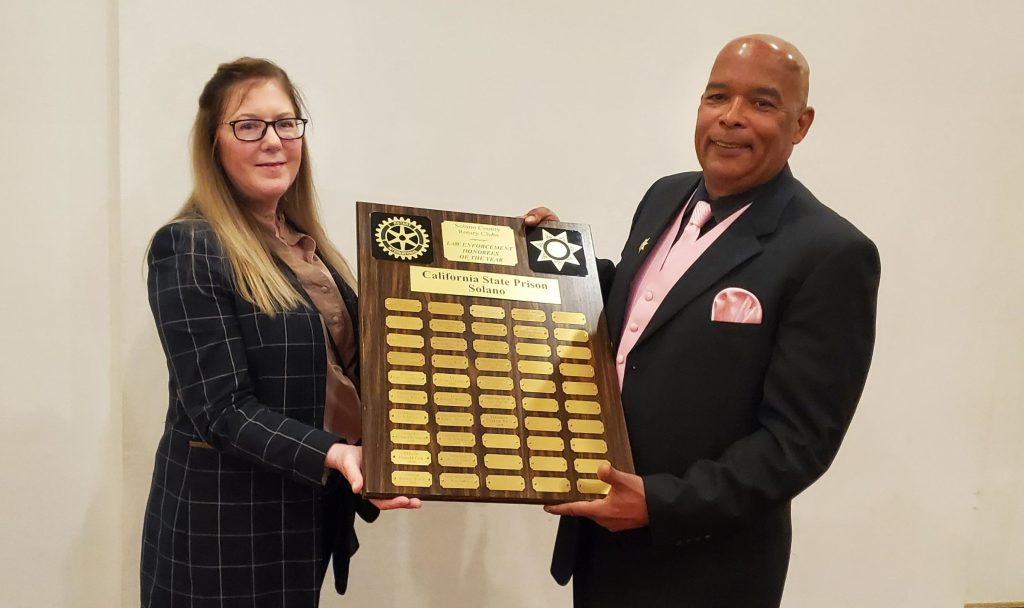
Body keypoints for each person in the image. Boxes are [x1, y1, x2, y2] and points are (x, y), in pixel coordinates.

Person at [527, 35, 881, 606]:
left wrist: (661, 504)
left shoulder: (830, 252)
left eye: (762, 104)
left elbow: (799, 443)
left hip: (705, 567)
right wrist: (550, 265)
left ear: (801, 123)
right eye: (718, 97)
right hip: (601, 542)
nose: (732, 119)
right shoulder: (665, 197)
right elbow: (644, 312)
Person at [140, 57, 420, 608]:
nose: (273, 141)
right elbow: (220, 409)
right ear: (214, 143)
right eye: (249, 125)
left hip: (305, 514)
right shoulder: (189, 246)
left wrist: (525, 264)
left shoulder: (303, 243)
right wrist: (336, 454)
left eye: (286, 123)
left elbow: (355, 362)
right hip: (225, 536)